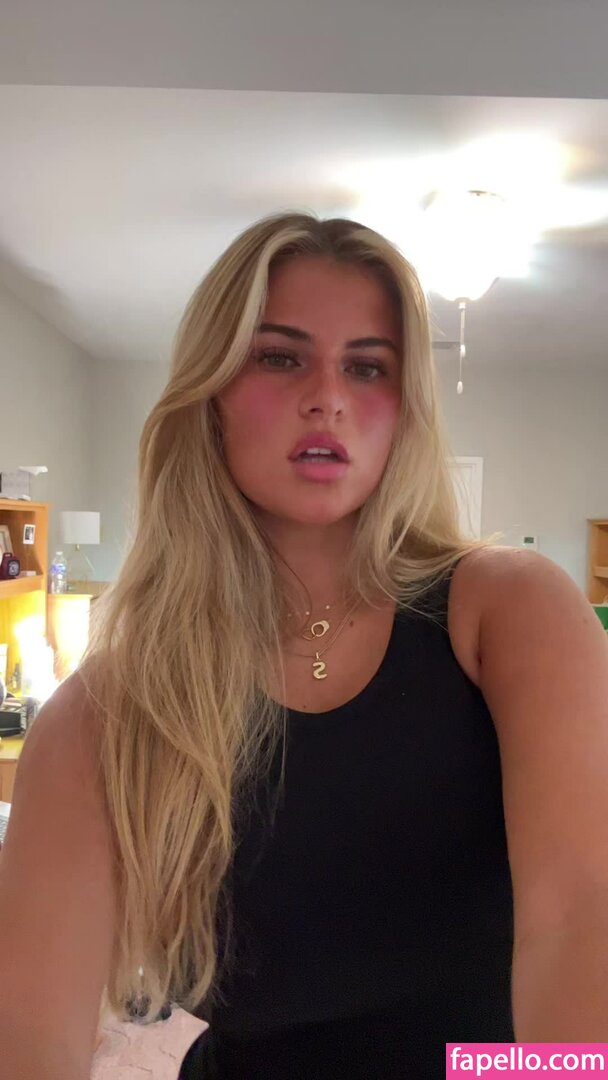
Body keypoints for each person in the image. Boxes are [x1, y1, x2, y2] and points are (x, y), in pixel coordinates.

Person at [1, 213, 608, 1080]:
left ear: (404, 408)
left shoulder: (510, 611)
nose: (328, 397)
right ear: (211, 393)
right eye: (280, 357)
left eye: (367, 366)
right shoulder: (105, 717)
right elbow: (29, 1040)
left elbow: (579, 921)